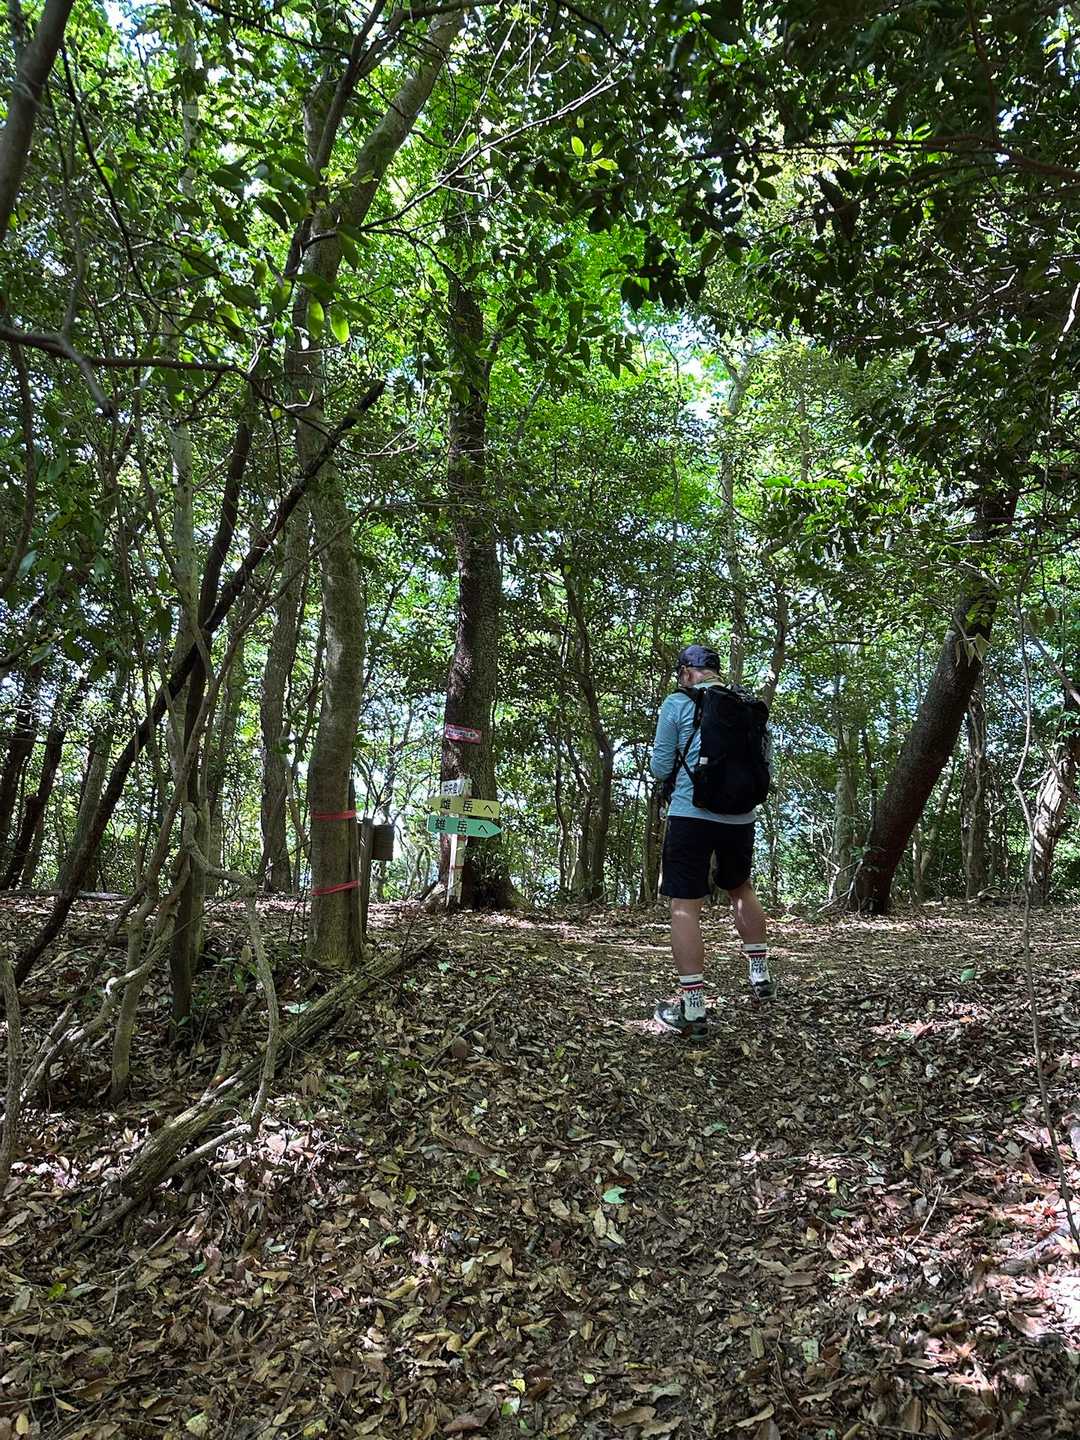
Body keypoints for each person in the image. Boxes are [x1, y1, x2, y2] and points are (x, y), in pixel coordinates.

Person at [648, 643, 775, 1039]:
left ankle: (693, 1009)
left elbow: (660, 767)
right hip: (741, 817)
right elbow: (764, 762)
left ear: (688, 672)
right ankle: (760, 976)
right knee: (741, 888)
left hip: (692, 814)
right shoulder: (746, 705)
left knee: (685, 907)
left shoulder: (678, 702)